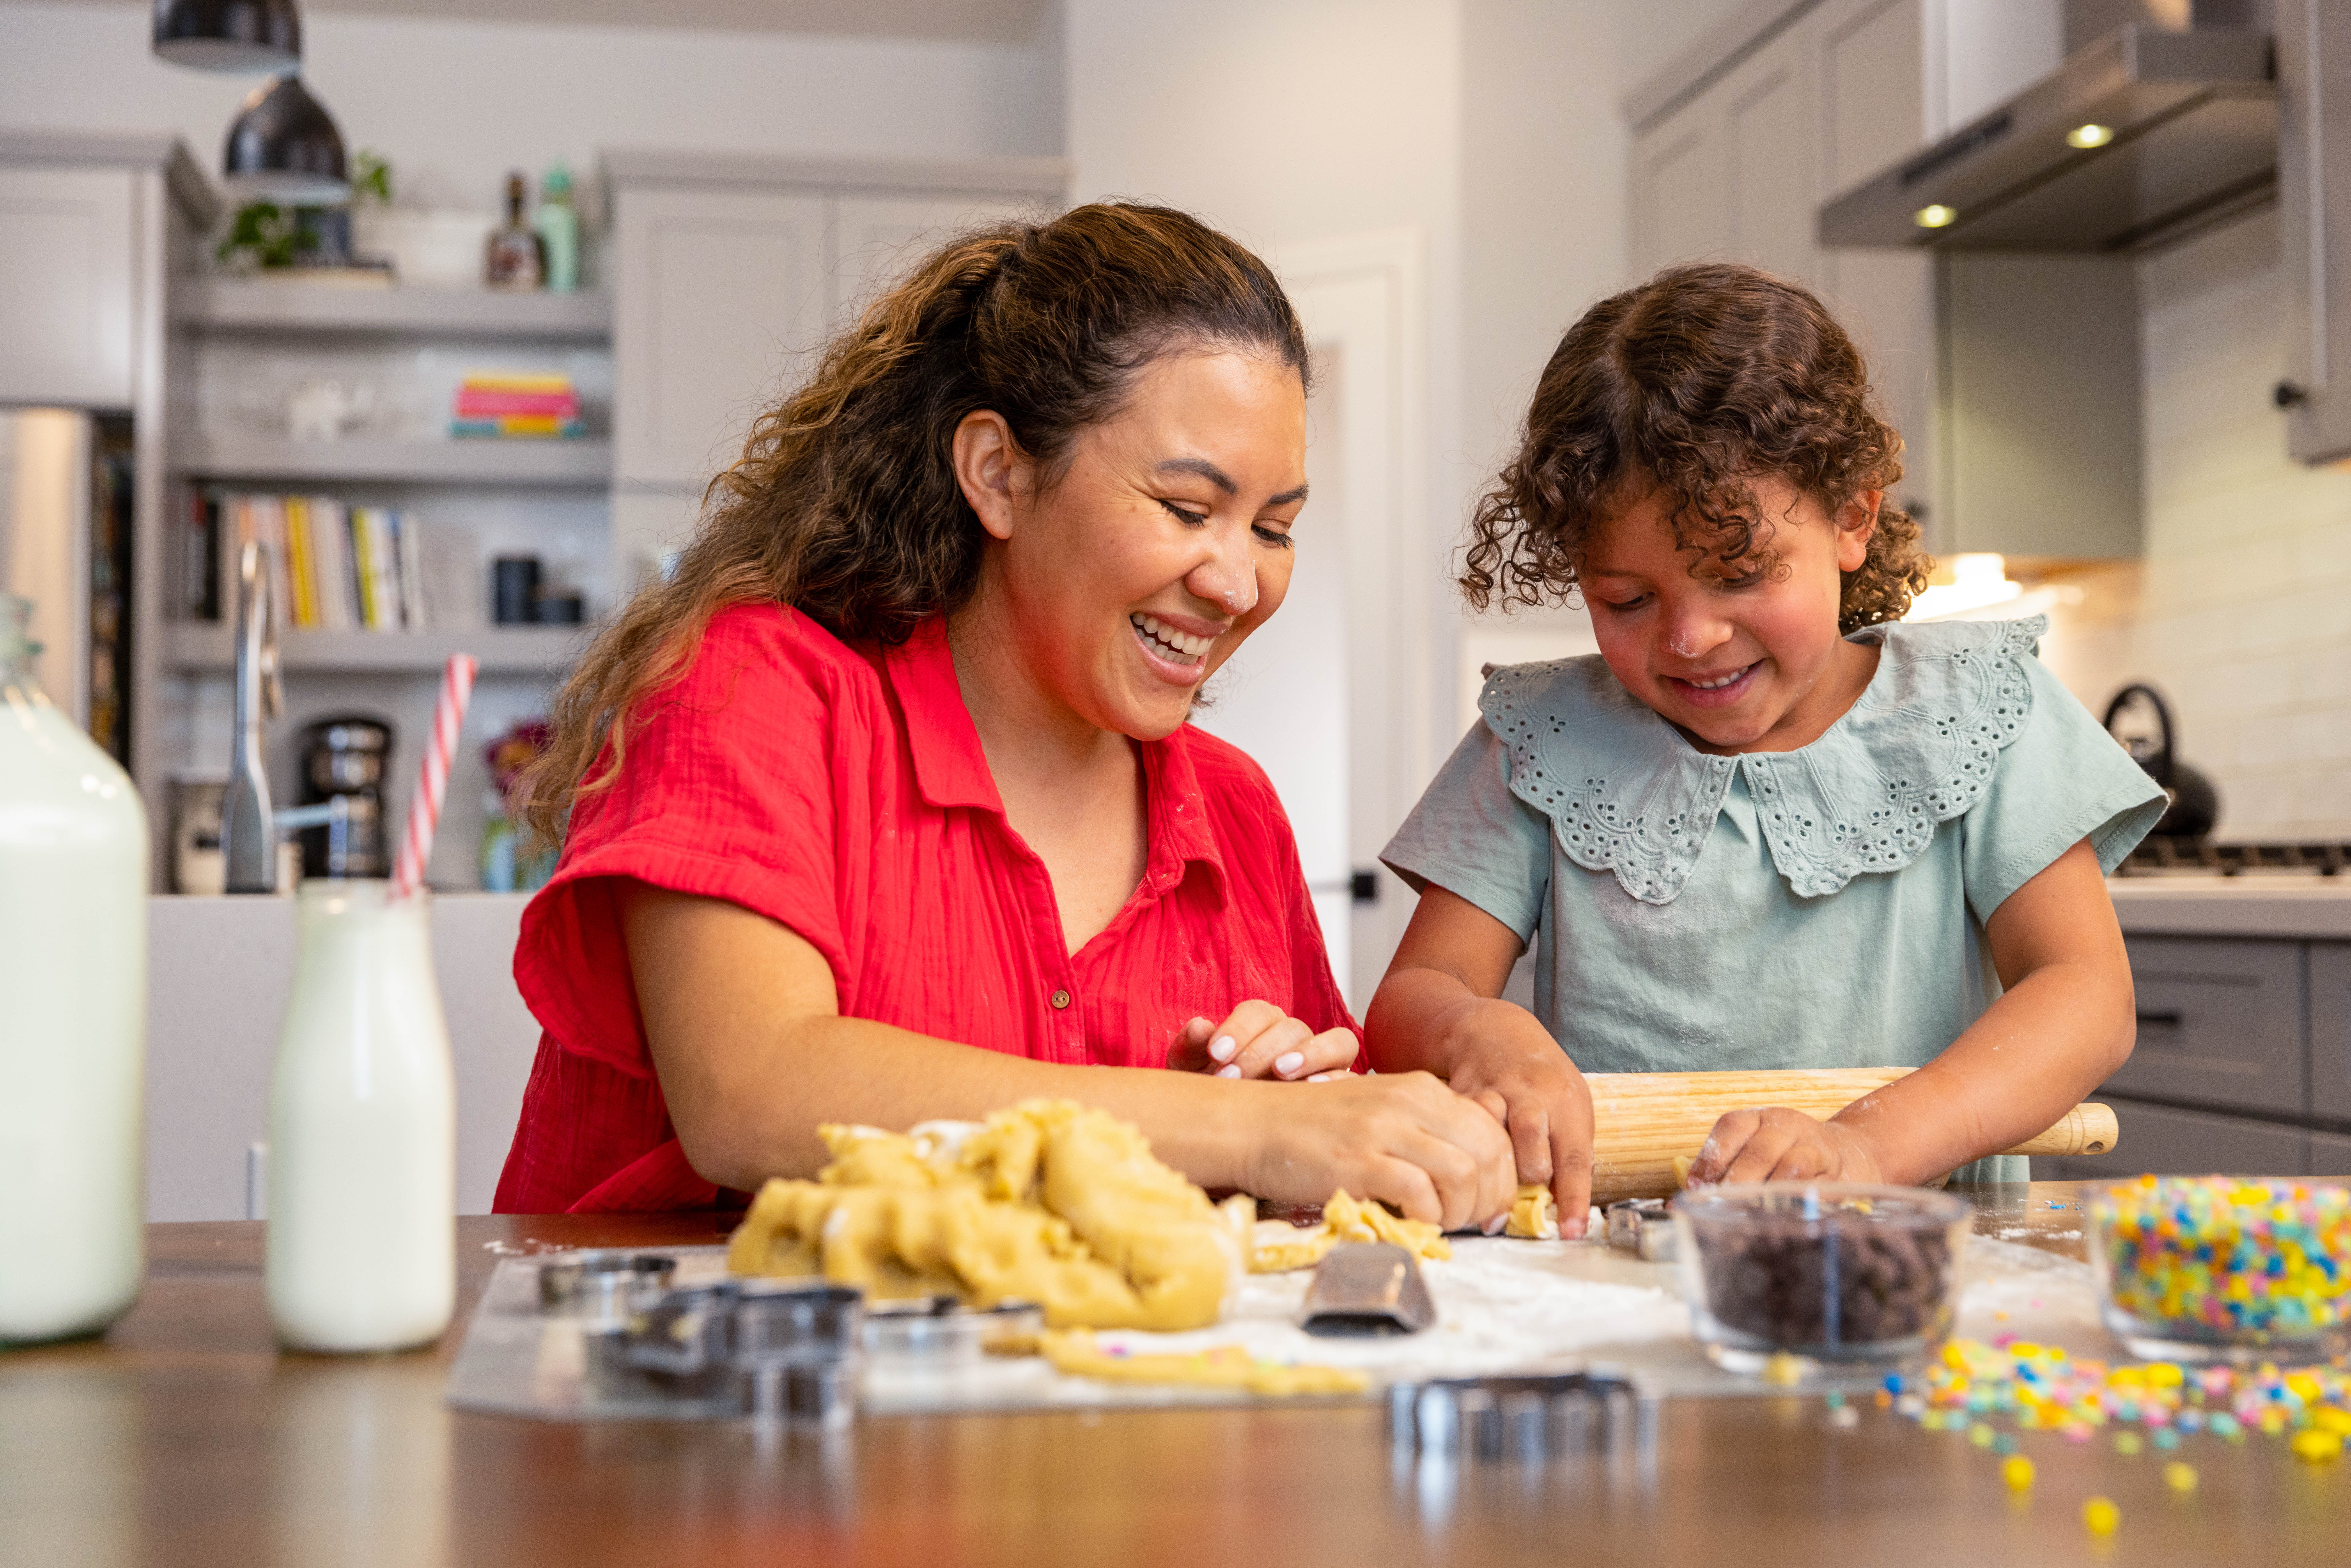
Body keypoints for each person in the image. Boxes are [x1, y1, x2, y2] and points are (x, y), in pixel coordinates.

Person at [494, 203, 1517, 1229]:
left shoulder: (1235, 809)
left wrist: (1295, 1106)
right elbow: (750, 1093)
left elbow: (1301, 1146)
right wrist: (1235, 1131)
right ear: (998, 473)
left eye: (1276, 528)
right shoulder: (751, 689)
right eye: (1187, 509)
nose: (1238, 582)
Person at [1368, 263, 2165, 1235]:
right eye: (1627, 600)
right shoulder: (1542, 737)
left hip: (1914, 1261)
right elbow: (1418, 991)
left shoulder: (1978, 707)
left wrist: (1871, 1144)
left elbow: (2085, 993)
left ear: (1852, 520)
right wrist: (1476, 1031)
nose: (1690, 637)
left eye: (1740, 574)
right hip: (1611, 1274)